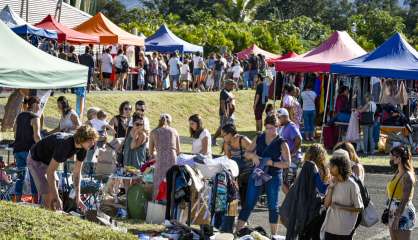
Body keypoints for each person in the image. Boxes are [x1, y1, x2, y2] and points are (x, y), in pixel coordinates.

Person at [237, 115, 291, 236]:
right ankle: (237, 233)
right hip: (258, 173)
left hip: (274, 175)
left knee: (273, 206)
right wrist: (254, 156)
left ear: (278, 127)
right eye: (267, 128)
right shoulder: (259, 137)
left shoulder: (282, 143)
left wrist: (272, 163)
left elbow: (288, 163)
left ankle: (274, 236)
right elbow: (247, 153)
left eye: (273, 128)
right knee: (249, 203)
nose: (270, 131)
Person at [27, 126, 98, 211]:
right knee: (47, 191)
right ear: (82, 138)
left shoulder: (83, 148)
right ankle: (46, 213)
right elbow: (50, 172)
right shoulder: (64, 145)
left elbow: (77, 173)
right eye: (90, 141)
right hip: (36, 160)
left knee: (55, 185)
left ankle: (50, 212)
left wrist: (78, 198)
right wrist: (56, 197)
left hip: (48, 162)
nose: (93, 144)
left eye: (94, 141)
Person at [281, 144, 329, 240]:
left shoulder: (303, 167)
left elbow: (296, 185)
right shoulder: (321, 169)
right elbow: (322, 189)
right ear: (322, 155)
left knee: (301, 233)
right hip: (313, 206)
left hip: (300, 203)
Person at [322, 152, 363, 240]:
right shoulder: (332, 182)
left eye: (333, 166)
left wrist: (341, 207)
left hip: (345, 230)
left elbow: (359, 208)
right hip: (330, 228)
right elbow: (326, 204)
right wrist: (331, 188)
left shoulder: (352, 185)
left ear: (340, 167)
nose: (330, 168)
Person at [13, 96, 42, 202]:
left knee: (20, 176)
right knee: (34, 177)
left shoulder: (19, 116)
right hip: (29, 151)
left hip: (18, 150)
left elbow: (15, 133)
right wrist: (43, 149)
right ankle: (36, 202)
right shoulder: (35, 117)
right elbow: (37, 136)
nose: (40, 107)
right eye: (40, 104)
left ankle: (17, 200)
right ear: (35, 104)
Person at [385, 146, 416, 240]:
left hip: (402, 213)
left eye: (393, 155)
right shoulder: (398, 172)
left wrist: (397, 218)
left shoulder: (407, 176)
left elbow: (405, 200)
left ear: (399, 157)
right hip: (393, 211)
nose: (391, 157)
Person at [149, 114, 180, 197]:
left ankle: (157, 202)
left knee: (158, 181)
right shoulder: (174, 131)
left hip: (160, 158)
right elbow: (178, 150)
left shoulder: (154, 132)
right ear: (170, 122)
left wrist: (158, 152)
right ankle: (170, 204)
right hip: (172, 158)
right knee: (171, 181)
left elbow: (151, 152)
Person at [222, 124, 252, 207]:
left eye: (223, 136)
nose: (223, 138)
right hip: (236, 172)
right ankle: (234, 215)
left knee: (245, 198)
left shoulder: (243, 140)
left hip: (247, 172)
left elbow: (255, 152)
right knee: (233, 195)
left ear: (230, 134)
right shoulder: (227, 143)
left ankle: (243, 216)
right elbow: (227, 160)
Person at [277, 108, 302, 193]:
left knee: (288, 183)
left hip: (293, 159)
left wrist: (292, 153)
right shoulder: (284, 127)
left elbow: (298, 140)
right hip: (287, 159)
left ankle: (291, 203)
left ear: (285, 117)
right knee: (284, 182)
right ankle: (290, 203)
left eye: (279, 117)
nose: (278, 119)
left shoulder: (291, 126)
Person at [213, 79, 237, 145]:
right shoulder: (223, 92)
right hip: (225, 114)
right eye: (232, 85)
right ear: (227, 85)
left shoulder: (230, 92)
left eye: (233, 85)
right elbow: (222, 104)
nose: (233, 86)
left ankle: (228, 141)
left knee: (230, 127)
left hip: (231, 114)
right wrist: (225, 113)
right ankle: (214, 138)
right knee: (223, 128)